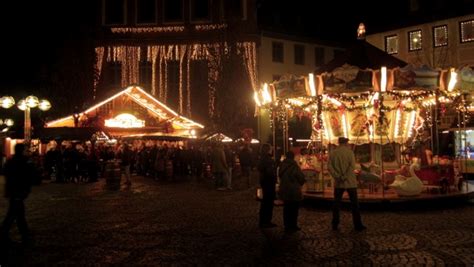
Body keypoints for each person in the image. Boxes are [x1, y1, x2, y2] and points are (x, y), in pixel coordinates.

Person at [1, 143, 37, 244]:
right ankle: (22, 234)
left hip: (13, 190)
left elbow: (6, 173)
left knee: (16, 213)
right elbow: (28, 175)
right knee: (15, 214)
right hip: (18, 190)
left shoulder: (11, 161)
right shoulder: (23, 161)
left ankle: (23, 234)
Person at [328, 137, 366, 232]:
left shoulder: (333, 153)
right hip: (350, 182)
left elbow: (329, 166)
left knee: (336, 204)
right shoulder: (350, 152)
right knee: (354, 204)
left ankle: (335, 224)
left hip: (338, 183)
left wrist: (337, 176)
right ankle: (357, 224)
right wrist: (344, 176)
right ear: (346, 143)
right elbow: (351, 166)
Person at [278, 151, 306, 233]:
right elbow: (300, 177)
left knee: (286, 208)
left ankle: (287, 225)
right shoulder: (294, 166)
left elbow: (280, 175)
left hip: (285, 189)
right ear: (293, 157)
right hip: (294, 189)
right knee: (294, 208)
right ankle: (293, 225)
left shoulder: (282, 165)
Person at [257, 143, 277, 228]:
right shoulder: (268, 160)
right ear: (268, 150)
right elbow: (270, 172)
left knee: (265, 201)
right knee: (268, 202)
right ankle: (267, 221)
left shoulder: (261, 158)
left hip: (264, 181)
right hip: (269, 182)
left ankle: (262, 220)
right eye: (271, 148)